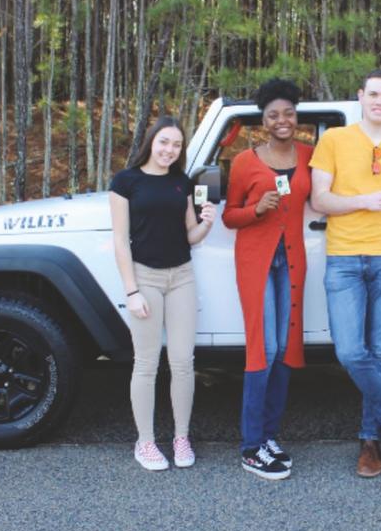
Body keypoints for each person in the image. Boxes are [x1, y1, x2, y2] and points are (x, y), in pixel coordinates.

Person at [309, 69, 381, 478]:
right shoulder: (335, 140)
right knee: (349, 352)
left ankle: (370, 442)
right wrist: (362, 200)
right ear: (361, 96)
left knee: (379, 354)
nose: (380, 101)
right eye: (373, 94)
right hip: (344, 257)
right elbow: (319, 200)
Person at [109, 116, 216, 471]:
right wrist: (132, 291)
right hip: (146, 279)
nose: (170, 150)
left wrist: (206, 224)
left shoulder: (180, 183)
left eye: (176, 145)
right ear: (151, 141)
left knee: (184, 363)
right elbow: (120, 242)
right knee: (146, 363)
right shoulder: (126, 182)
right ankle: (145, 442)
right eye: (164, 142)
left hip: (182, 277)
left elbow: (189, 236)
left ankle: (181, 437)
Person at [222, 78, 313, 481]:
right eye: (274, 114)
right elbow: (229, 216)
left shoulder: (311, 156)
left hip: (291, 262)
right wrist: (256, 209)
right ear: (264, 120)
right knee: (264, 348)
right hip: (257, 262)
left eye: (288, 113)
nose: (282, 120)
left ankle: (269, 437)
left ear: (296, 116)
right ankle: (250, 446)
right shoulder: (245, 161)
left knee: (285, 349)